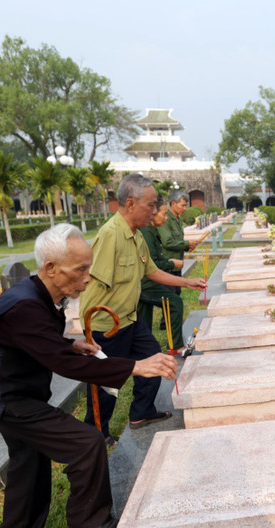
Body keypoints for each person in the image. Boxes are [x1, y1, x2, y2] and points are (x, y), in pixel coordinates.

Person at [0, 223, 178, 528]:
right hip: (8, 398)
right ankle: (88, 519)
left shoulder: (37, 295)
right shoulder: (26, 305)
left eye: (88, 268)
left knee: (28, 463)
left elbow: (38, 344)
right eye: (80, 269)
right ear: (51, 268)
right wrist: (135, 366)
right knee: (86, 443)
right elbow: (67, 367)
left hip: (11, 392)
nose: (88, 278)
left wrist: (70, 344)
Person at [79, 174, 206, 441]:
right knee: (107, 385)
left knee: (154, 358)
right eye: (150, 205)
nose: (154, 211)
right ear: (130, 203)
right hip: (106, 325)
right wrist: (91, 334)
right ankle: (95, 434)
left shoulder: (136, 236)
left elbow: (152, 271)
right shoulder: (111, 236)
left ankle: (141, 412)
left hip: (129, 320)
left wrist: (187, 281)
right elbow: (89, 283)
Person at [138, 198, 184, 351]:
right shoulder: (146, 232)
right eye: (163, 214)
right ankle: (176, 346)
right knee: (175, 303)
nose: (165, 218)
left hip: (145, 281)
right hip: (146, 282)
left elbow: (156, 258)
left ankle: (144, 348)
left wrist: (169, 261)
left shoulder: (151, 231)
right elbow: (151, 264)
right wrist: (171, 264)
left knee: (143, 318)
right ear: (153, 212)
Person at [158, 189, 198, 293]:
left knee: (177, 294)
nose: (185, 209)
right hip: (168, 266)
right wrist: (187, 243)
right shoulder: (165, 220)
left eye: (186, 206)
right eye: (182, 205)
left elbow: (177, 241)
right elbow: (168, 242)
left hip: (177, 266)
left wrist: (186, 247)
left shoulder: (179, 219)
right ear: (173, 204)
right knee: (170, 300)